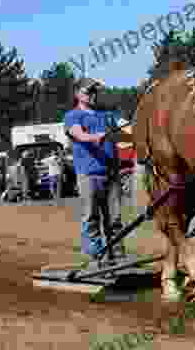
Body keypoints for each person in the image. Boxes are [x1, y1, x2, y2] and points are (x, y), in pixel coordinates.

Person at [64, 78, 129, 260]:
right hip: (89, 174)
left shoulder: (107, 116)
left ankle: (117, 255)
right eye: (88, 91)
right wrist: (93, 137)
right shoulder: (73, 115)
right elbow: (78, 133)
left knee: (115, 219)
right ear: (77, 94)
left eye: (95, 92)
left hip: (111, 173)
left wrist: (140, 139)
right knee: (91, 217)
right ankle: (97, 256)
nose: (93, 95)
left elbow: (121, 136)